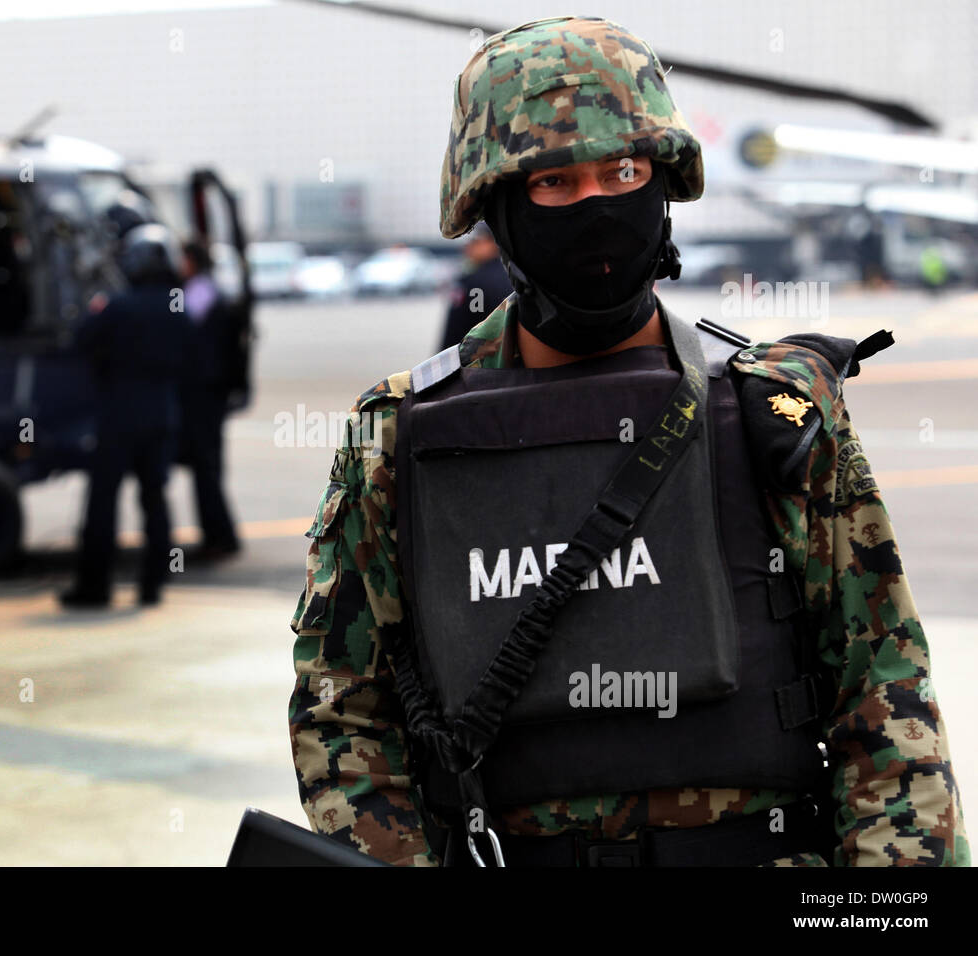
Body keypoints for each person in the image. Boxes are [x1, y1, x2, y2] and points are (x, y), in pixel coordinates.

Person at [287, 16, 968, 867]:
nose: (596, 208)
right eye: (555, 185)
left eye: (623, 172)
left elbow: (886, 698)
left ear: (664, 181)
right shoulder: (398, 439)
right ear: (495, 205)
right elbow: (344, 713)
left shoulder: (773, 412)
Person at [61, 223, 189, 609]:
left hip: (118, 416)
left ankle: (95, 587)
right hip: (161, 414)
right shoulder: (177, 306)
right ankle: (152, 585)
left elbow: (81, 340)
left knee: (103, 500)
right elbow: (191, 356)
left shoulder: (117, 306)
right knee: (155, 498)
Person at [180, 240, 240, 560]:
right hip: (208, 392)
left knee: (206, 465)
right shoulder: (203, 289)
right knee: (206, 465)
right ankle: (218, 535)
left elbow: (183, 331)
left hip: (204, 394)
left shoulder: (200, 292)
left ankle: (221, 537)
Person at [438, 221, 513, 352]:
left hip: (476, 360)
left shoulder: (473, 282)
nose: (467, 247)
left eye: (474, 241)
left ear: (492, 243)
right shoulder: (515, 277)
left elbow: (459, 328)